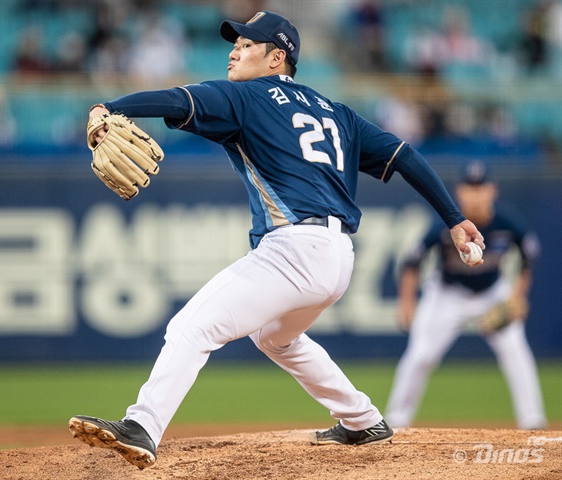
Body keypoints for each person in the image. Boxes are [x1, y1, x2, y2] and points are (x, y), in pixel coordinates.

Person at [68, 11, 485, 469]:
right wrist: (454, 217)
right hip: (338, 257)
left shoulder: (243, 97)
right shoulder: (336, 112)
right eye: (236, 43)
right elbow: (403, 155)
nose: (234, 51)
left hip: (294, 250)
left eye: (246, 44)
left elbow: (175, 99)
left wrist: (109, 106)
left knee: (191, 328)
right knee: (276, 338)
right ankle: (362, 419)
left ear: (276, 58)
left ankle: (142, 426)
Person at [385, 161, 546, 431]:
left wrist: (518, 296)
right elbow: (411, 263)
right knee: (420, 355)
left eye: (480, 188)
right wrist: (406, 303)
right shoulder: (445, 224)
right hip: (447, 294)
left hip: (492, 293)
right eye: (470, 188)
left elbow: (529, 257)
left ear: (492, 191)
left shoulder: (508, 223)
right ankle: (396, 420)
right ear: (459, 192)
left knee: (516, 353)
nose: (475, 194)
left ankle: (532, 421)